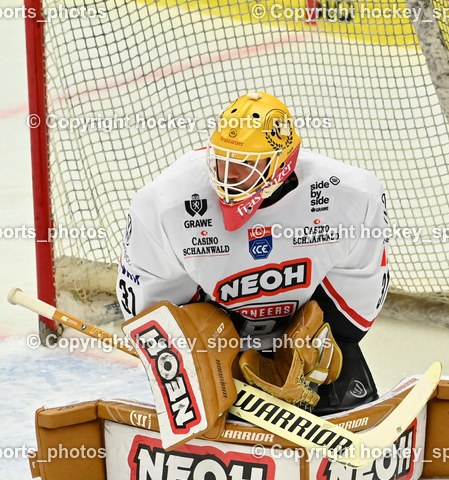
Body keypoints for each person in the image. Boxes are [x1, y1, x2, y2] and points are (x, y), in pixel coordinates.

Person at [116, 92, 389, 414]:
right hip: (213, 349)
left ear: (283, 163)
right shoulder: (165, 203)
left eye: (245, 164)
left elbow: (357, 293)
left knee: (338, 386)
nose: (228, 176)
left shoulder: (350, 195)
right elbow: (150, 311)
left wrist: (327, 343)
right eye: (222, 160)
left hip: (300, 339)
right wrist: (206, 363)